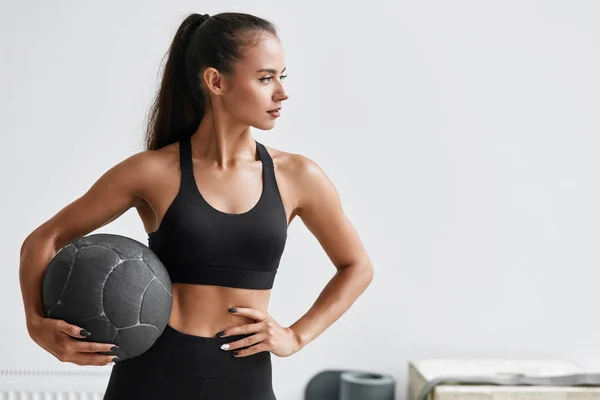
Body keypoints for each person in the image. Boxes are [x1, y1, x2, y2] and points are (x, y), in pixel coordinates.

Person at [19, 11, 374, 399]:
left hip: (244, 380)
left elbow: (356, 267)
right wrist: (37, 325)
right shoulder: (153, 172)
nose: (281, 93)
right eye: (265, 78)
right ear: (215, 81)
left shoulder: (299, 176)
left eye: (281, 76)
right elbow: (44, 240)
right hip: (151, 376)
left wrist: (296, 336)